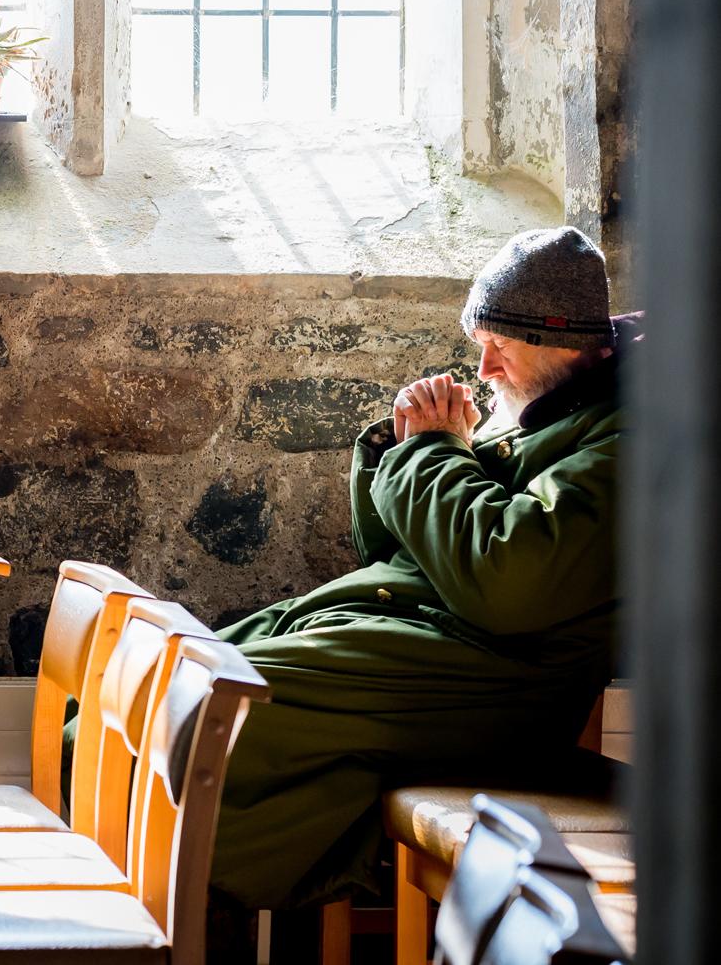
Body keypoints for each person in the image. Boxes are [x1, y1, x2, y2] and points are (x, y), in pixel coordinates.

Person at [209, 226, 628, 912]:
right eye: (480, 343)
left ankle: (184, 929)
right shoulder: (537, 409)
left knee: (220, 716)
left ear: (570, 346)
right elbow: (397, 554)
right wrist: (395, 447)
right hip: (427, 641)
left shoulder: (621, 442)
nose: (484, 367)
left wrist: (432, 453)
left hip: (495, 676)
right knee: (178, 675)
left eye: (503, 346)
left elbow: (507, 577)